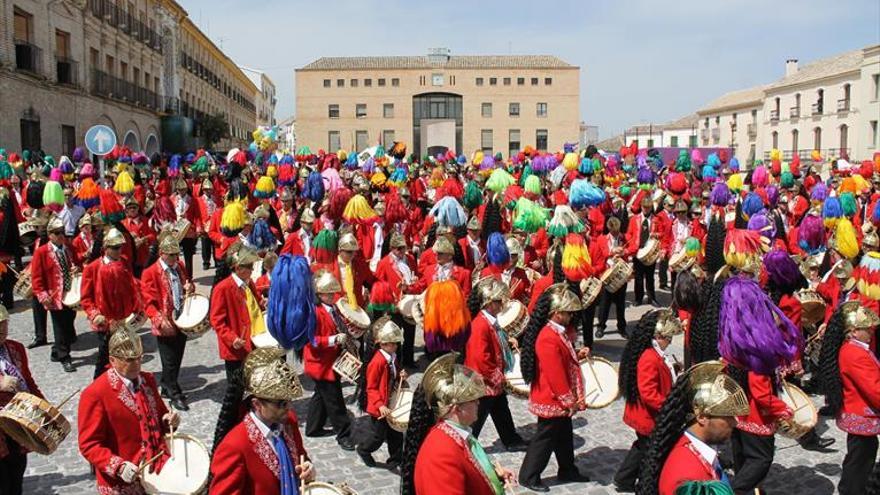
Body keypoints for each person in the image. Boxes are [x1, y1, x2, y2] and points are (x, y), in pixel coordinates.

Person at [78, 325, 180, 494]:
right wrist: (118, 466)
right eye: (129, 360)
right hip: (121, 482)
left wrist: (169, 420)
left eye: (139, 358)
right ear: (112, 360)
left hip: (153, 473)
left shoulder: (147, 380)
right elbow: (89, 445)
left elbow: (160, 415)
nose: (136, 364)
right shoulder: (95, 393)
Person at [400, 353, 517, 495]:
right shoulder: (441, 456)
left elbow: (468, 468)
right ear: (456, 409)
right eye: (473, 400)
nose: (478, 403)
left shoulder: (458, 434)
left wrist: (493, 476)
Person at [209, 347, 316, 495]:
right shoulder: (234, 446)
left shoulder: (288, 421)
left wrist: (308, 468)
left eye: (289, 401)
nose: (288, 407)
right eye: (281, 403)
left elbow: (300, 455)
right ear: (257, 404)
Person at [518, 284, 591, 492]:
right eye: (567, 313)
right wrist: (569, 400)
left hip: (556, 396)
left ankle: (567, 468)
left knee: (563, 435)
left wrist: (577, 354)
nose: (570, 317)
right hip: (552, 397)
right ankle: (529, 475)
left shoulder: (555, 333)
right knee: (545, 437)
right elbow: (555, 373)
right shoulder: (548, 337)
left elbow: (563, 358)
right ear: (557, 313)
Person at [637, 361, 750, 495]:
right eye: (728, 416)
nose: (735, 422)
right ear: (702, 417)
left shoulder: (694, 450)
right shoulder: (687, 477)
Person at [614, 309, 683, 492]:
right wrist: (669, 407)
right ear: (659, 336)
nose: (669, 342)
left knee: (641, 448)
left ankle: (623, 479)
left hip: (646, 416)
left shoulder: (652, 353)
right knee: (651, 452)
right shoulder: (649, 358)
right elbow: (649, 393)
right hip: (648, 417)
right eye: (668, 338)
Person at [818, 301, 880, 495]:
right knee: (859, 461)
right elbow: (874, 389)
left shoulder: (856, 349)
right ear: (853, 331)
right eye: (865, 328)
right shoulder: (855, 353)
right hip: (861, 415)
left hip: (859, 413)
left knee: (860, 457)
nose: (871, 330)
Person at [464, 278, 527, 451]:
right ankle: (467, 444)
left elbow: (496, 339)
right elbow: (480, 359)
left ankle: (511, 439)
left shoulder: (489, 321)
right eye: (499, 301)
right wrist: (498, 377)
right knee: (478, 414)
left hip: (491, 379)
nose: (502, 305)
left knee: (501, 409)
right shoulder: (480, 326)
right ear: (489, 303)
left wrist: (508, 341)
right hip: (484, 381)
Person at [81, 228, 143, 379]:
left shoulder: (124, 262)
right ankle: (99, 384)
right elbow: (86, 298)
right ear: (105, 248)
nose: (118, 250)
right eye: (115, 248)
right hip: (106, 323)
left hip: (125, 320)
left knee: (126, 355)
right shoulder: (92, 268)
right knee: (105, 357)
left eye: (120, 247)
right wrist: (95, 314)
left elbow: (132, 285)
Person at [303, 270, 355, 450]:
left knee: (321, 396)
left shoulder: (333, 309)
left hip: (331, 361)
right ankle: (344, 434)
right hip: (321, 364)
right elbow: (311, 341)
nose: (332, 296)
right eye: (328, 294)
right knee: (335, 401)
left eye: (333, 293)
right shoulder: (314, 313)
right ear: (320, 294)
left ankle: (313, 427)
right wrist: (333, 340)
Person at [141, 235, 194, 411]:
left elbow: (187, 283)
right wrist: (158, 319)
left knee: (177, 356)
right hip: (165, 322)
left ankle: (166, 386)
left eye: (176, 255)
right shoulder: (150, 272)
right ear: (162, 254)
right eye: (171, 255)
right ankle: (174, 393)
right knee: (169, 359)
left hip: (181, 318)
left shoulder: (179, 267)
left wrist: (190, 288)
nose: (175, 259)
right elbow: (148, 302)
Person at [0, 305, 44, 495]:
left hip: (17, 421)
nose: (2, 330)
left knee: (17, 474)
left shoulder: (15, 348)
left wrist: (43, 406)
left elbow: (28, 380)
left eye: (4, 325)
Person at [356, 316, 407, 469]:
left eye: (396, 344)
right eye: (392, 344)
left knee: (396, 433)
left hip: (390, 401)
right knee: (378, 436)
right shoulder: (377, 362)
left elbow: (394, 373)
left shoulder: (392, 357)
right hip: (379, 407)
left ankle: (396, 459)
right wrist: (379, 405)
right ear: (383, 344)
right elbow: (371, 387)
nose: (395, 347)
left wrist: (401, 374)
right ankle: (364, 450)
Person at [29, 215, 79, 373]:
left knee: (69, 324)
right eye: (57, 233)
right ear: (50, 235)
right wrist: (43, 296)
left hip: (70, 293)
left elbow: (77, 263)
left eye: (62, 232)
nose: (61, 236)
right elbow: (36, 277)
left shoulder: (69, 248)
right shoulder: (42, 252)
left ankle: (56, 350)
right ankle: (65, 357)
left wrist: (77, 268)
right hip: (54, 295)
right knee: (60, 326)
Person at [374, 231, 418, 367]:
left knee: (410, 333)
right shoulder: (384, 263)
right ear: (392, 249)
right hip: (393, 304)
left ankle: (409, 360)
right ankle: (397, 362)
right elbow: (379, 285)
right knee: (395, 334)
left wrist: (413, 284)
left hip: (409, 302)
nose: (402, 251)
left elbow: (416, 276)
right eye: (398, 248)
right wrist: (389, 301)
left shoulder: (410, 259)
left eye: (403, 247)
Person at [597, 217, 629, 338]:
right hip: (607, 273)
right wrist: (613, 251)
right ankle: (601, 326)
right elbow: (603, 253)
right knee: (605, 303)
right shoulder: (602, 239)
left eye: (617, 231)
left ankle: (622, 327)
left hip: (620, 274)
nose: (616, 234)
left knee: (621, 304)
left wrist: (624, 252)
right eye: (614, 232)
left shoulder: (622, 237)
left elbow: (631, 248)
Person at [627, 196, 660, 306]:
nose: (646, 209)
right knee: (638, 277)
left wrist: (656, 235)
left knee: (650, 277)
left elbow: (662, 233)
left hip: (650, 252)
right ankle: (638, 298)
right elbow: (629, 234)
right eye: (644, 207)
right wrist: (632, 245)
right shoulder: (634, 219)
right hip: (638, 251)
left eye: (648, 207)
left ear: (651, 208)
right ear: (641, 207)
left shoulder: (656, 219)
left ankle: (652, 298)